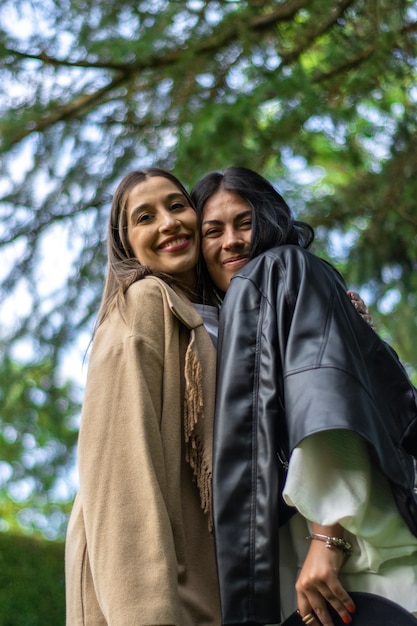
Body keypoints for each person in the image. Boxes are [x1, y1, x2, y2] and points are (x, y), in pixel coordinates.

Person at [191, 167, 417, 626]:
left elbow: (325, 395)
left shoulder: (285, 268)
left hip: (356, 564)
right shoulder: (232, 319)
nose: (230, 241)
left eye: (245, 222)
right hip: (304, 572)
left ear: (270, 222)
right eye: (212, 231)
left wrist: (327, 535)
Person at [65, 168, 222, 625]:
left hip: (214, 589)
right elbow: (121, 475)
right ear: (126, 244)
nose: (168, 223)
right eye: (145, 217)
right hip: (159, 597)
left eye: (177, 205)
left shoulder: (218, 316)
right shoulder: (142, 304)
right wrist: (146, 613)